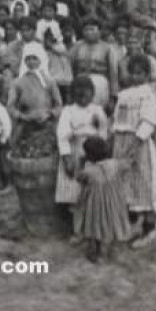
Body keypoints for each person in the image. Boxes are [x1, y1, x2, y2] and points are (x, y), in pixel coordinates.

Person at [110, 54, 156, 248]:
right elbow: (117, 119)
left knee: (144, 184)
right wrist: (113, 136)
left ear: (147, 75)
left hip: (138, 144)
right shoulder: (124, 94)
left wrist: (136, 142)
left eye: (139, 73)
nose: (135, 77)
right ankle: (130, 224)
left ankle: (149, 228)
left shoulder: (149, 94)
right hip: (121, 142)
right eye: (132, 73)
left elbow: (149, 121)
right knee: (124, 184)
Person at [55, 76, 109, 228]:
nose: (83, 98)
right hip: (75, 151)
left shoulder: (97, 110)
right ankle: (76, 227)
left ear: (93, 94)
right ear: (72, 95)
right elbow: (62, 136)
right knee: (75, 189)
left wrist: (101, 153)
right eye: (78, 95)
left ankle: (92, 224)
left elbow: (103, 131)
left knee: (92, 189)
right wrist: (66, 158)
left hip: (94, 152)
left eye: (87, 95)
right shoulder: (68, 111)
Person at [75, 137, 132, 263]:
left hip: (95, 206)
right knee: (110, 225)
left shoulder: (89, 171)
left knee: (97, 226)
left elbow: (79, 178)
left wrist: (81, 163)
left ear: (89, 156)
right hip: (114, 204)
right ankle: (108, 250)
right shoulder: (115, 164)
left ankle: (100, 254)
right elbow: (127, 165)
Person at [8, 43, 63, 144]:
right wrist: (23, 116)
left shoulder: (50, 81)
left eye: (34, 58)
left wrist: (49, 114)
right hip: (25, 126)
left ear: (40, 59)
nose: (31, 62)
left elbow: (58, 104)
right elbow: (11, 107)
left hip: (46, 125)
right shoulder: (17, 82)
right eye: (28, 59)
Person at [71, 16, 120, 111]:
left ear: (99, 31)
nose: (89, 32)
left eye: (92, 29)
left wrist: (113, 96)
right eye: (86, 29)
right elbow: (71, 66)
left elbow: (113, 73)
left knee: (97, 112)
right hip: (80, 82)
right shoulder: (77, 46)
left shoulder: (107, 48)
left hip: (100, 84)